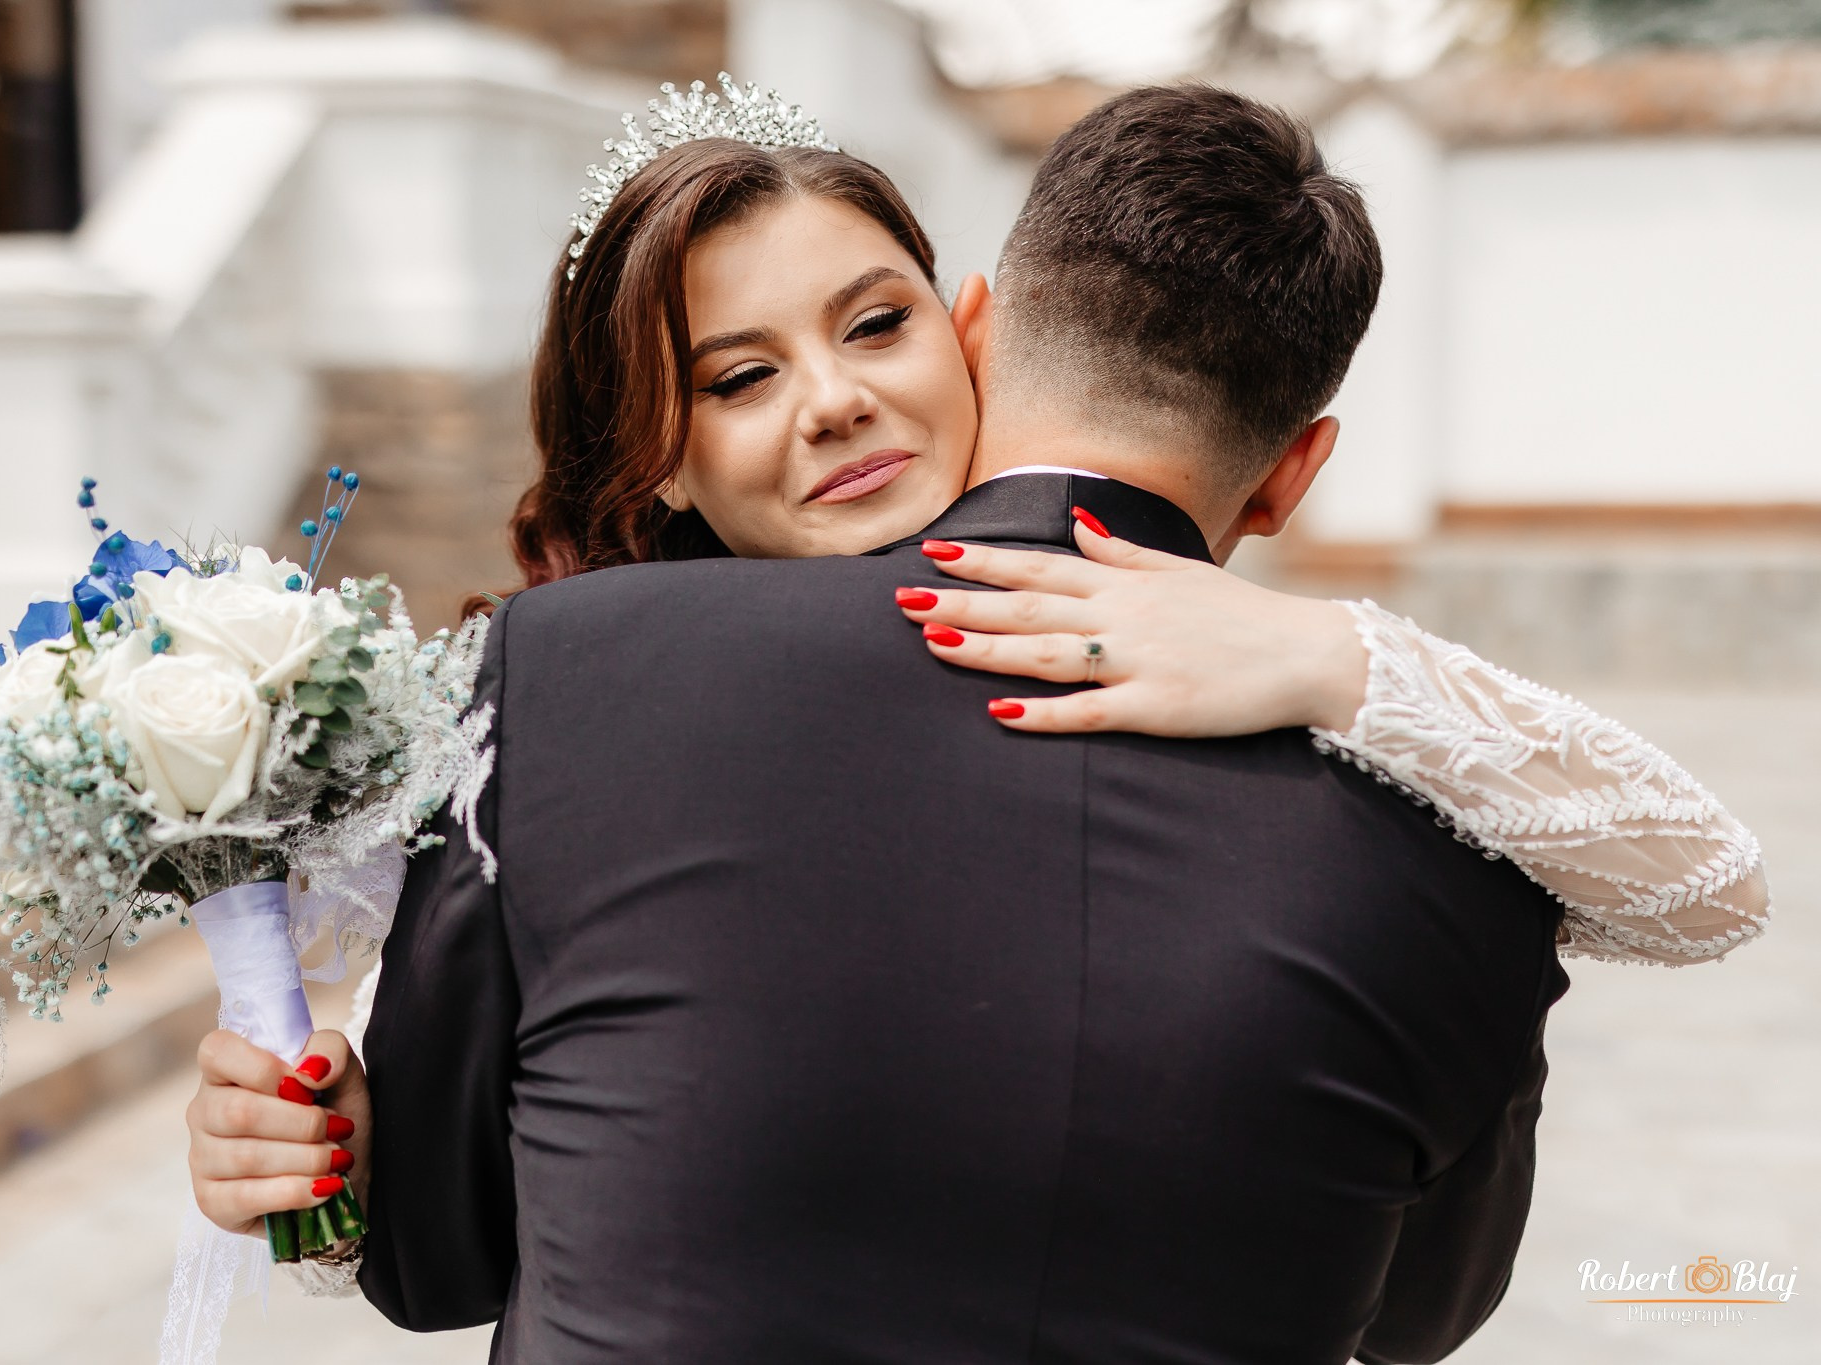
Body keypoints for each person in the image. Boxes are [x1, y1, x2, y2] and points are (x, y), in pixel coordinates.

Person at [184, 80, 1770, 1360]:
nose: (835, 401)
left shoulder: (554, 682)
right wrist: (307, 1149)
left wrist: (1330, 659)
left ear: (974, 330)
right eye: (737, 375)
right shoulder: (1468, 832)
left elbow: (439, 1258)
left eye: (874, 325)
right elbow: (1418, 1313)